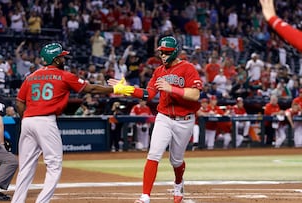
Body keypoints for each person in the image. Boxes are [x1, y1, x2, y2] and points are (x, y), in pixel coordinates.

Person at [11, 42, 130, 203]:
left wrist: (27, 118)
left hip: (27, 121)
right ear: (56, 59)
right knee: (54, 165)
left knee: (25, 167)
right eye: (62, 56)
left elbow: (19, 103)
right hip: (45, 121)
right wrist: (116, 89)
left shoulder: (30, 77)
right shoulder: (64, 75)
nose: (64, 58)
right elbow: (91, 89)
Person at [109, 36, 203, 203]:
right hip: (164, 117)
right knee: (153, 154)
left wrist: (171, 88)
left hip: (185, 120)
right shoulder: (159, 71)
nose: (163, 56)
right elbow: (148, 94)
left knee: (176, 160)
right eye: (161, 52)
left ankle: (178, 183)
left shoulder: (188, 68)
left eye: (166, 53)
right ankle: (145, 196)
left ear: (175, 52)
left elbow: (195, 95)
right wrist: (126, 89)